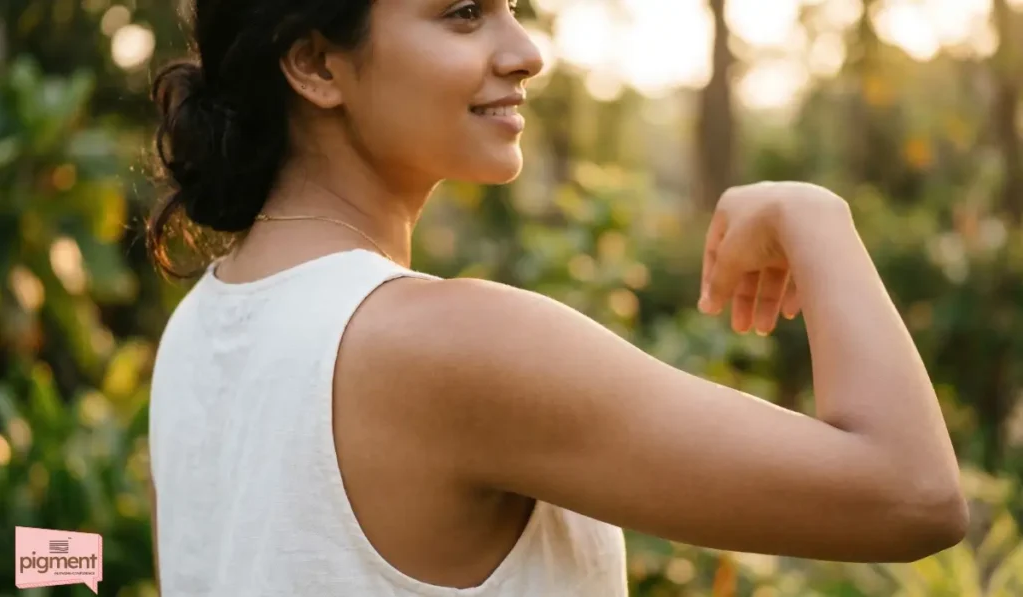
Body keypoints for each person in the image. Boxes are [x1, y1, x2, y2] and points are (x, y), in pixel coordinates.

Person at [144, 0, 969, 595]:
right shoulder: (443, 341)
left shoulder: (200, 329)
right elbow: (913, 494)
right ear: (317, 65)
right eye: (464, 13)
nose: (525, 50)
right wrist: (817, 217)